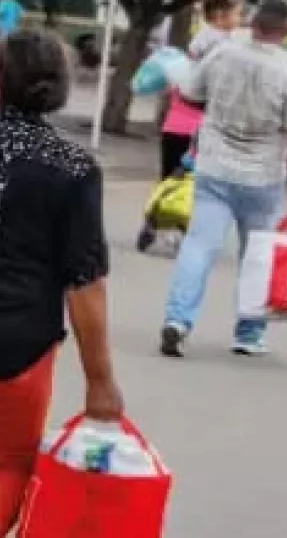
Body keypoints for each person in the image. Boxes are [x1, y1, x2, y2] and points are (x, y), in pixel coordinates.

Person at [0, 30, 123, 531]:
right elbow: (84, 281)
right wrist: (100, 381)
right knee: (7, 463)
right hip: (18, 345)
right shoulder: (72, 168)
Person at [159, 0, 287, 358]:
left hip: (214, 167)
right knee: (257, 254)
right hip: (263, 177)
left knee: (199, 245)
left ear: (253, 21)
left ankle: (178, 321)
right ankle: (248, 331)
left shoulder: (224, 53)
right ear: (286, 30)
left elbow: (190, 91)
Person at [159, 0, 244, 178]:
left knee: (170, 181)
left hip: (180, 122)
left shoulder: (206, 39)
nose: (241, 19)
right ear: (221, 16)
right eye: (238, 14)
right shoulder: (218, 43)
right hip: (197, 127)